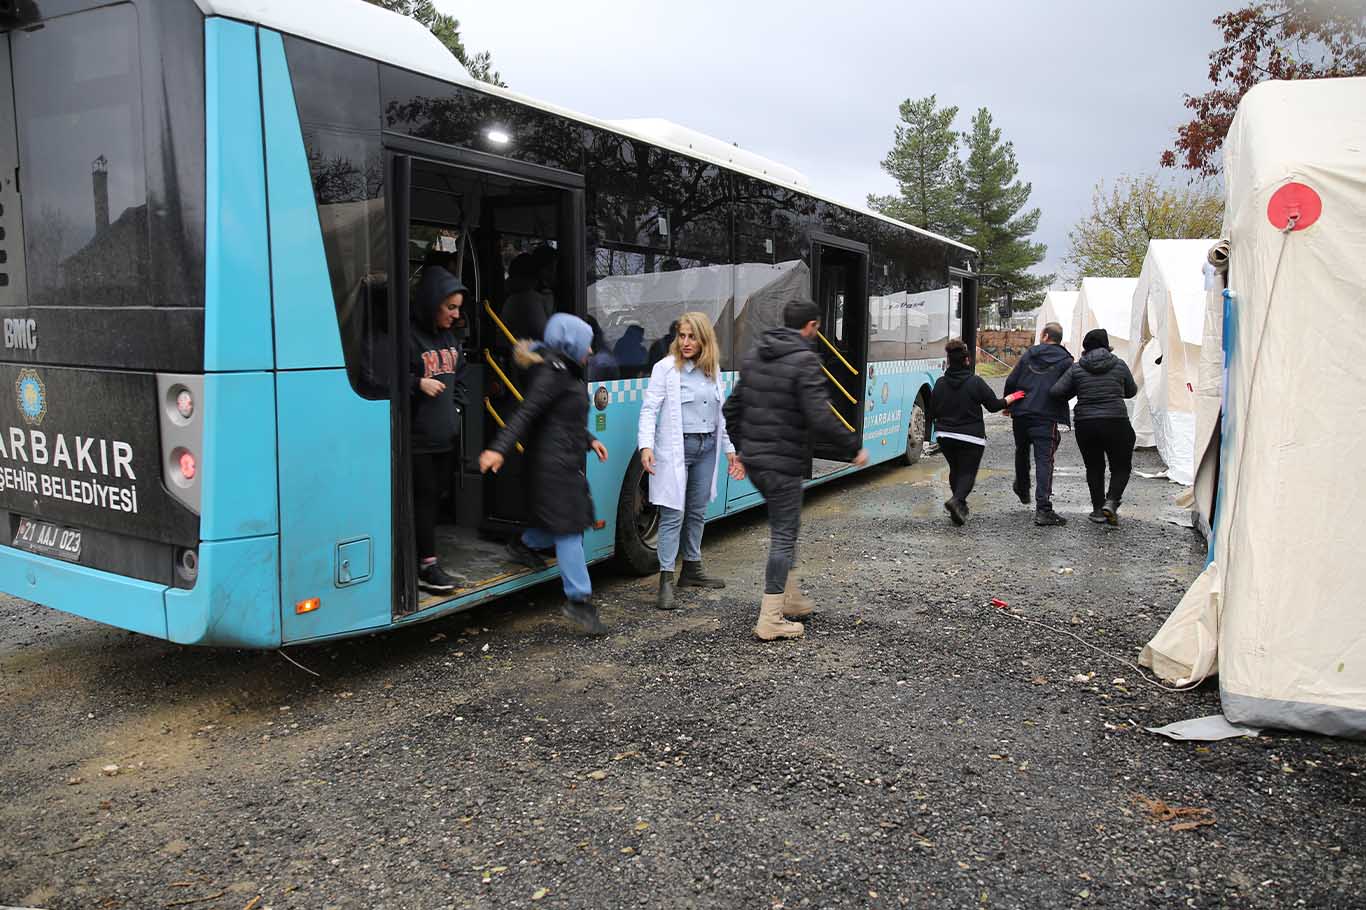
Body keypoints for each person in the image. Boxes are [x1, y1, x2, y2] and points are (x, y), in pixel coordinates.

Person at [723, 298, 868, 641]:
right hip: (783, 462)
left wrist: (742, 450)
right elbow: (820, 415)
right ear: (812, 326)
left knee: (783, 528)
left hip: (758, 460)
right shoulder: (805, 360)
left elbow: (732, 408)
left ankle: (790, 599)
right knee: (784, 535)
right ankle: (771, 618)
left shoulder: (757, 354)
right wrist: (852, 447)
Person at [478, 314, 610, 634]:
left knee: (570, 523)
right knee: (570, 528)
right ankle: (578, 601)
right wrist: (499, 448)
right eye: (587, 344)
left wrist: (590, 440)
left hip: (563, 459)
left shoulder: (565, 370)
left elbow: (563, 419)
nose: (592, 351)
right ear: (572, 342)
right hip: (552, 465)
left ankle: (523, 543)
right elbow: (527, 412)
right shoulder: (553, 372)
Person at [638, 312, 744, 610]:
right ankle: (666, 580)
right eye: (681, 336)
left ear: (704, 339)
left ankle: (692, 570)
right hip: (676, 448)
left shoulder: (712, 370)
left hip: (707, 446)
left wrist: (730, 449)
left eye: (691, 336)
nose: (685, 342)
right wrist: (645, 446)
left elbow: (719, 415)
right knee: (673, 514)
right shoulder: (665, 369)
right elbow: (649, 410)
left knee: (697, 511)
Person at [410, 266, 470, 593]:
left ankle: (427, 556)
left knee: (435, 498)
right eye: (450, 307)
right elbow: (384, 380)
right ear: (432, 303)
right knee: (423, 499)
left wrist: (457, 408)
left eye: (458, 307)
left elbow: (459, 379)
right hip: (416, 440)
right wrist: (417, 383)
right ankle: (427, 564)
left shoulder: (450, 339)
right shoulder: (407, 337)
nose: (456, 314)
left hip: (445, 437)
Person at [1050, 328, 1139, 525]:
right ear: (1106, 345)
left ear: (1085, 346)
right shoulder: (1119, 364)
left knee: (1094, 467)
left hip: (1086, 423)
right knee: (1121, 466)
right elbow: (1131, 391)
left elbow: (1056, 392)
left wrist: (1077, 390)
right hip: (1116, 420)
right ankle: (1112, 501)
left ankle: (1098, 510)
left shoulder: (1077, 368)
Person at [930, 339, 1022, 525]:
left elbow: (932, 412)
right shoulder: (975, 382)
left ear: (948, 361)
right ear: (967, 361)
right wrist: (1011, 398)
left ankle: (959, 508)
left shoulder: (939, 383)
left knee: (955, 469)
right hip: (971, 436)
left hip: (944, 435)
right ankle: (957, 501)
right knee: (967, 472)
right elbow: (994, 406)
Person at [1004, 321, 1075, 526]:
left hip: (1021, 411)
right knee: (1044, 460)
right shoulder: (1066, 361)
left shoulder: (1030, 354)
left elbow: (1012, 379)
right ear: (1059, 339)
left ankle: (1022, 485)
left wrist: (1008, 403)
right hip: (1046, 415)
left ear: (1044, 336)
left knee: (1022, 448)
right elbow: (1068, 387)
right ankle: (1043, 509)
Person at [500, 252, 554, 342]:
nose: (553, 275)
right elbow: (546, 336)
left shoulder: (512, 298)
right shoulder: (528, 299)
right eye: (550, 269)